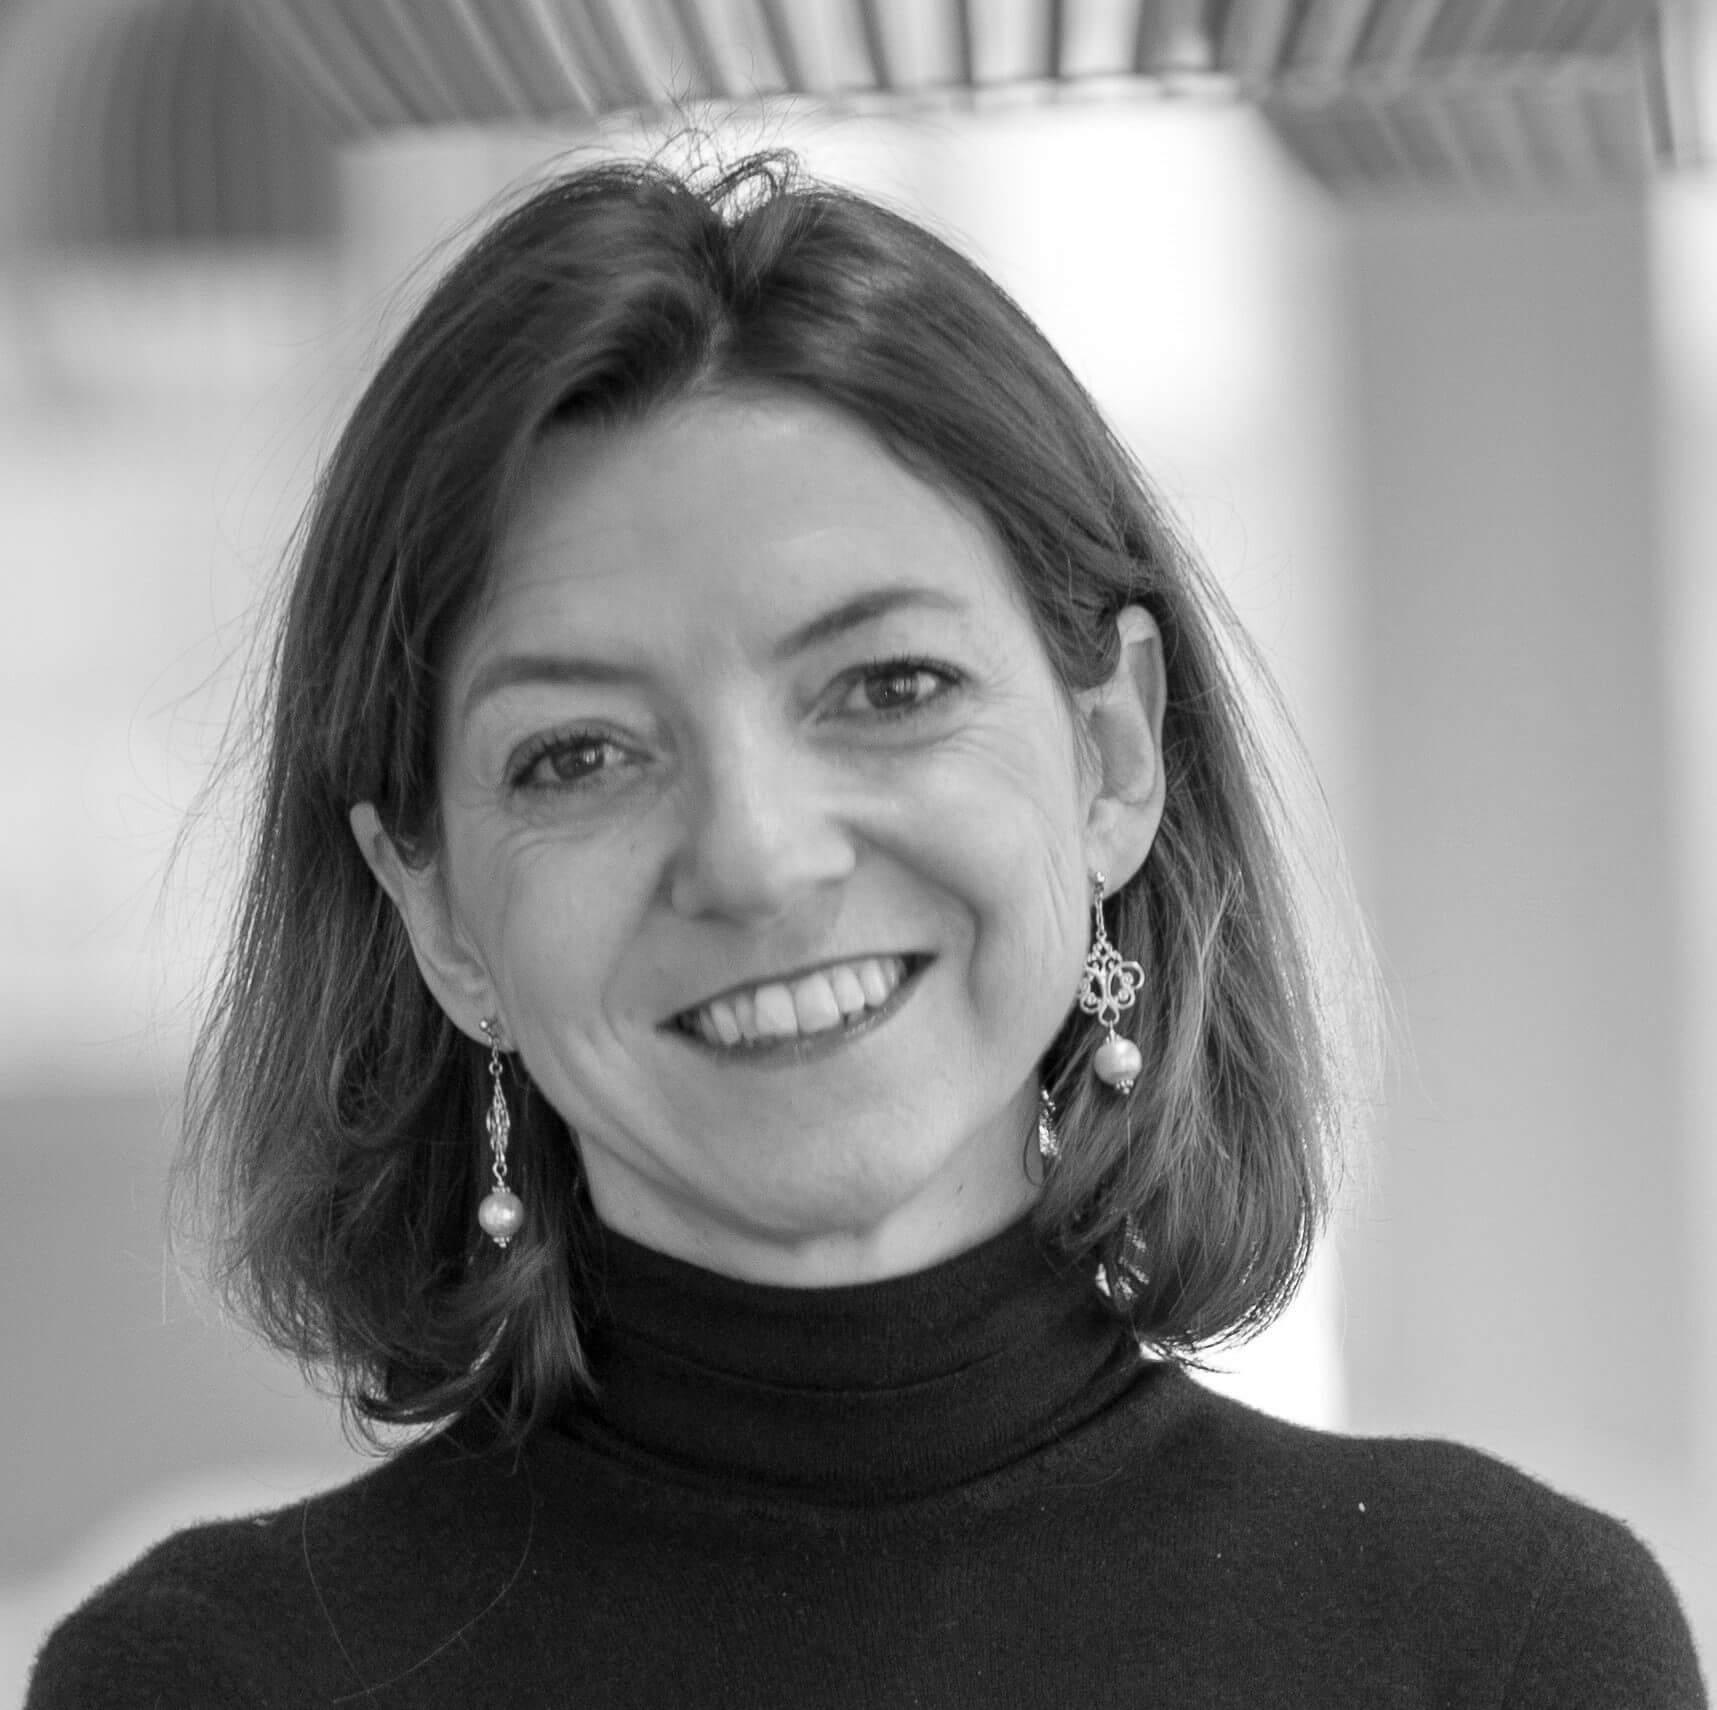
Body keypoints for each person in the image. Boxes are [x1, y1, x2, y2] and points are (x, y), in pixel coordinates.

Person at [27, 148, 1705, 1708]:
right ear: (440, 907)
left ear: (1112, 753)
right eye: (580, 754)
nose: (756, 859)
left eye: (887, 686)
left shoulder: (1504, 1645)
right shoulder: (209, 1682)